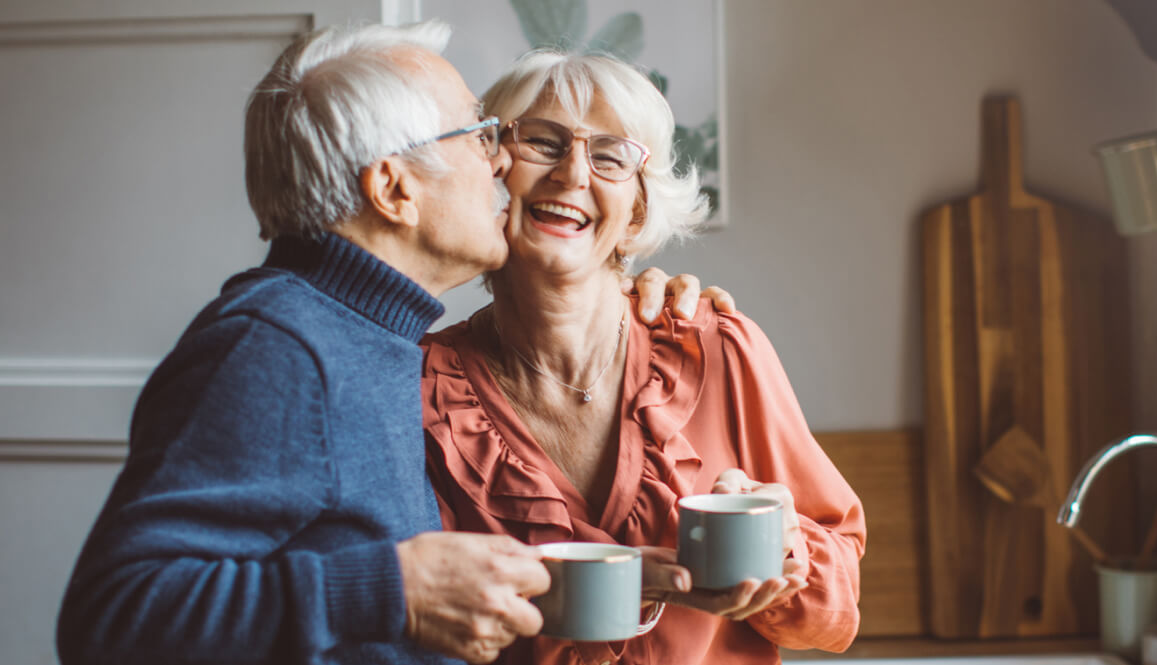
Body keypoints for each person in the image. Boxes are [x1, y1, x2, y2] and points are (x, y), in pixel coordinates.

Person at [56, 21, 725, 665]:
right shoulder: (278, 348)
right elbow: (110, 617)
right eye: (479, 134)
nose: (500, 161)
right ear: (394, 189)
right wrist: (394, 591)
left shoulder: (370, 336)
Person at [420, 49, 865, 665]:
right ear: (492, 175)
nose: (573, 174)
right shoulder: (420, 389)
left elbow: (834, 611)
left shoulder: (719, 346)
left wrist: (790, 555)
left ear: (636, 210)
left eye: (609, 156)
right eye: (543, 143)